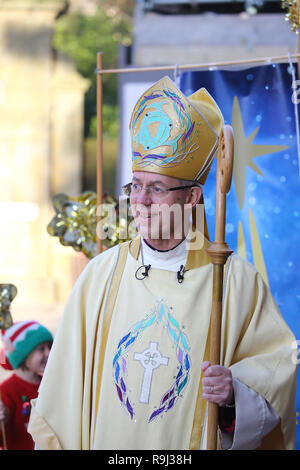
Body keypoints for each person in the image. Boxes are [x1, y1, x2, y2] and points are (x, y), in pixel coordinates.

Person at [28, 76, 296, 450]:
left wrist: (233, 393)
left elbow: (277, 372)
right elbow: (63, 391)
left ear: (192, 197)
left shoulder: (233, 281)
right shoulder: (101, 276)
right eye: (135, 186)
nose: (141, 201)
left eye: (156, 188)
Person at [0, 320, 53, 450]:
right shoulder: (6, 391)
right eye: (41, 349)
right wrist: (3, 421)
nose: (48, 353)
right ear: (23, 356)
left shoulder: (48, 384)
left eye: (49, 347)